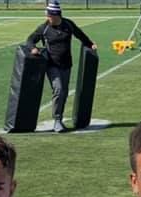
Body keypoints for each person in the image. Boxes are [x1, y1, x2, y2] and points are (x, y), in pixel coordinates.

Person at [26, 0, 97, 133]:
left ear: (56, 15)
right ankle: (57, 120)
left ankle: (59, 118)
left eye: (49, 15)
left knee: (63, 92)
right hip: (51, 64)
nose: (47, 18)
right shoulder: (44, 28)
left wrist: (90, 43)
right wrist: (33, 48)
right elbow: (30, 40)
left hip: (66, 64)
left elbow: (79, 34)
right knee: (58, 90)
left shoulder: (68, 24)